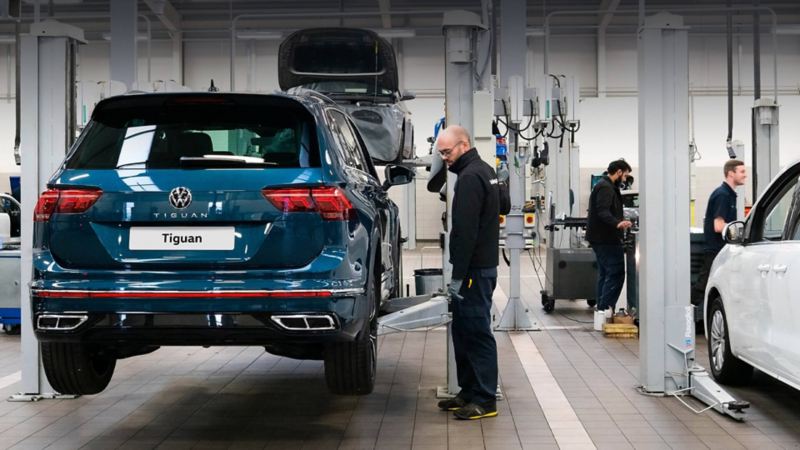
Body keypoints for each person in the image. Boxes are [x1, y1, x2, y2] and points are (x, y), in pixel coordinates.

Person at [434, 125, 500, 420]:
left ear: (463, 145)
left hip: (474, 269)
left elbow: (465, 232)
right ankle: (468, 391)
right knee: (462, 331)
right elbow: (506, 203)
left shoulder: (471, 177)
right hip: (481, 266)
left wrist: (457, 276)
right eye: (441, 154)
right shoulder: (486, 170)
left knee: (476, 332)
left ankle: (485, 399)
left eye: (447, 152)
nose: (445, 158)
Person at [691, 159, 746, 306]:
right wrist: (741, 232)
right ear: (730, 173)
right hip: (716, 249)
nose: (745, 175)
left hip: (722, 248)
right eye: (742, 171)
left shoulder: (729, 194)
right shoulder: (723, 195)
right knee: (703, 285)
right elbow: (718, 225)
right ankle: (690, 314)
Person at [586, 159, 633, 313]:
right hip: (606, 238)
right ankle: (605, 309)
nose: (625, 179)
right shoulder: (605, 187)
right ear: (618, 172)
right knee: (616, 273)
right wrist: (617, 223)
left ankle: (601, 311)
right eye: (625, 176)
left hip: (602, 238)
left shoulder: (606, 185)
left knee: (605, 273)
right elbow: (603, 211)